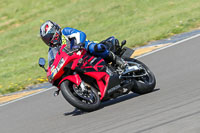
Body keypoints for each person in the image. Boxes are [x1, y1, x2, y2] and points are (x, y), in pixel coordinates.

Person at [40, 20, 126, 69]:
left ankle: (117, 59)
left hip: (84, 48)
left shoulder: (65, 32)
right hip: (74, 61)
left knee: (93, 48)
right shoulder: (53, 49)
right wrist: (50, 68)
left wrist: (79, 44)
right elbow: (53, 62)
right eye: (46, 39)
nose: (49, 40)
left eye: (49, 37)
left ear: (55, 31)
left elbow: (80, 34)